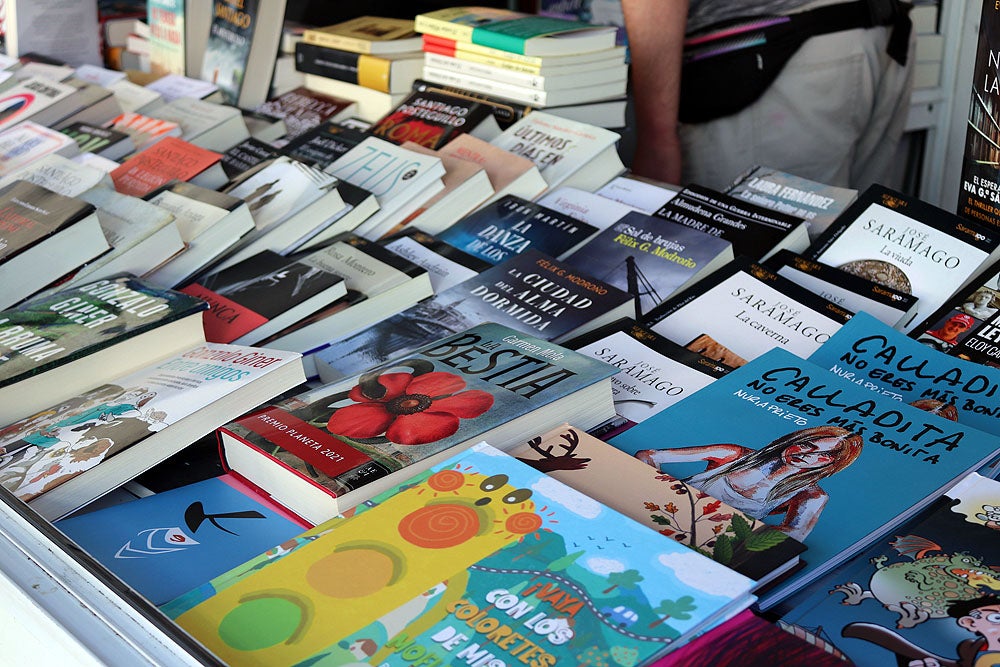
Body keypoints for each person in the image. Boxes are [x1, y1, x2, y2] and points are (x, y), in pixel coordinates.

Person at [621, 0, 915, 192]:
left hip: (778, 57)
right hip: (874, 37)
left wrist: (655, 137)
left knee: (750, 266)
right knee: (837, 255)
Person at [634, 425, 863, 540]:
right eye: (806, 445)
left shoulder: (810, 496)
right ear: (794, 441)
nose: (806, 455)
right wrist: (663, 495)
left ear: (830, 463)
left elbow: (793, 535)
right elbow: (649, 456)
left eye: (822, 455)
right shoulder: (733, 455)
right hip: (650, 514)